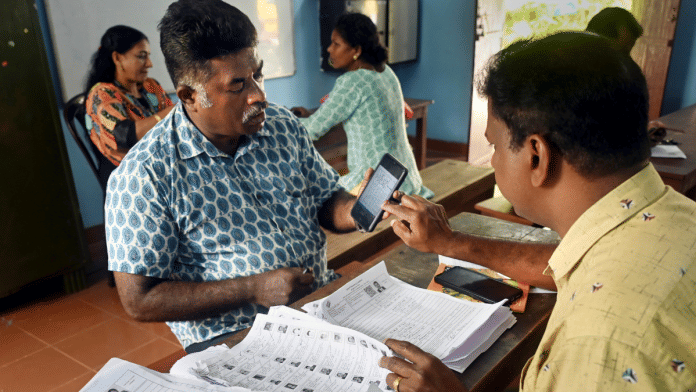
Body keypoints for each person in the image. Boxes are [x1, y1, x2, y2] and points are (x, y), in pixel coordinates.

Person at [378, 32, 696, 391]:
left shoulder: (601, 345)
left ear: (536, 156)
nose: (494, 160)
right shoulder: (672, 215)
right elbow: (570, 263)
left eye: (495, 146)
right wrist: (449, 242)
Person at [105, 0, 360, 353]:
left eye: (258, 74)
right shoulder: (145, 175)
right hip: (234, 337)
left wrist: (359, 209)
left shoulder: (282, 126)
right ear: (190, 96)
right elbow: (140, 300)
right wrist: (253, 289)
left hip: (319, 303)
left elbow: (325, 201)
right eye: (237, 85)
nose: (260, 95)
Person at [291, 13, 433, 199]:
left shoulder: (353, 81)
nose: (329, 49)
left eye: (336, 44)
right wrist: (310, 113)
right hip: (406, 177)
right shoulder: (385, 71)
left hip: (378, 182)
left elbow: (311, 130)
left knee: (318, 200)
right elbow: (353, 108)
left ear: (356, 50)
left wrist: (281, 120)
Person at [85, 25, 174, 189]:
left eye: (148, 56)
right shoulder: (101, 94)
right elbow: (124, 137)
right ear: (117, 58)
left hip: (163, 171)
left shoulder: (150, 86)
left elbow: (177, 123)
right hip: (130, 183)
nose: (149, 64)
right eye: (141, 56)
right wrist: (168, 113)